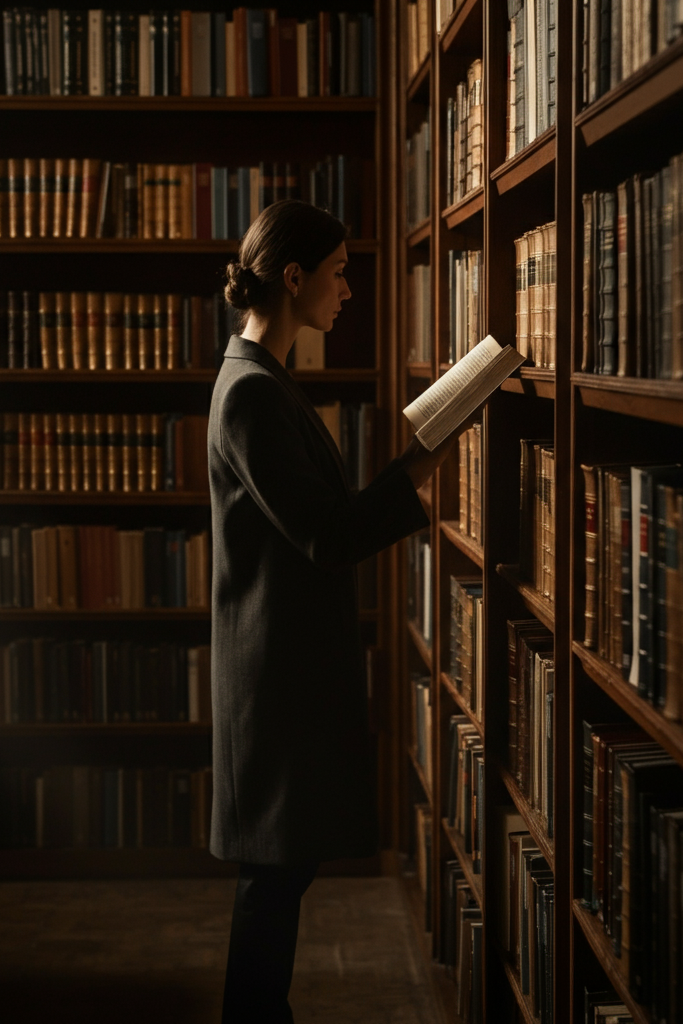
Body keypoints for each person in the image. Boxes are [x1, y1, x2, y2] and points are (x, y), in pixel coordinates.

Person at [210, 200, 457, 1023]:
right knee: (273, 873)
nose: (348, 289)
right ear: (292, 277)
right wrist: (416, 470)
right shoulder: (250, 392)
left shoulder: (267, 379)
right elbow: (325, 533)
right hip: (273, 673)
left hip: (286, 664)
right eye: (340, 269)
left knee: (282, 870)